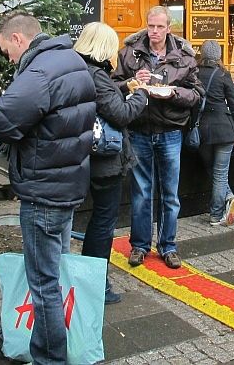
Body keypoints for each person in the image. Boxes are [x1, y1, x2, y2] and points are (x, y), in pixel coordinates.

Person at [0, 13, 95, 363]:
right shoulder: (71, 59)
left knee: (44, 283)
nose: (9, 59)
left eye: (7, 52)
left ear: (18, 39)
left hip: (44, 189)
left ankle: (50, 358)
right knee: (58, 270)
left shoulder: (39, 71)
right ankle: (63, 344)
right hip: (68, 184)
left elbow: (1, 120)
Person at [112, 6, 202, 269]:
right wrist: (131, 81)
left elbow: (196, 93)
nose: (154, 31)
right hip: (139, 130)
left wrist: (173, 92)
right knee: (141, 194)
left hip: (171, 131)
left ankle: (168, 245)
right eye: (151, 26)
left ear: (168, 27)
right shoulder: (129, 53)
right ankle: (140, 246)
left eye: (160, 27)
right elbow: (112, 87)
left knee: (170, 194)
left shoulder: (183, 56)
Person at [73, 22, 148, 303]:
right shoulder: (96, 75)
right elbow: (121, 114)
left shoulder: (77, 69)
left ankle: (87, 280)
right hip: (104, 161)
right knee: (103, 223)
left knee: (96, 220)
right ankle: (96, 285)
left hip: (82, 157)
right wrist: (142, 93)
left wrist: (124, 87)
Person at [196, 40, 234, 226]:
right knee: (221, 172)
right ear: (219, 56)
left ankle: (228, 198)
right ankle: (216, 213)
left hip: (202, 130)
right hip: (225, 129)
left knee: (212, 169)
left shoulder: (194, 74)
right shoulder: (223, 74)